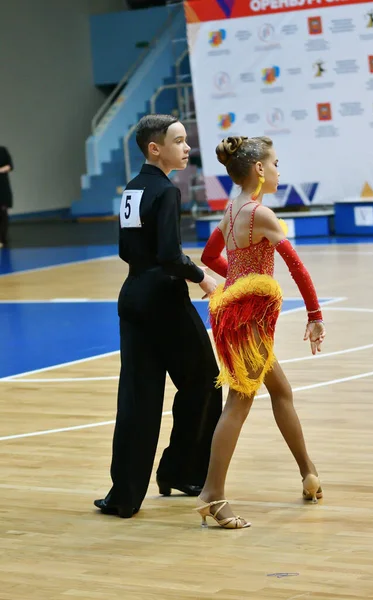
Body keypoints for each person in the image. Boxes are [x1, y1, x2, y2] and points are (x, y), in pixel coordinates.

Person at [94, 114, 222, 518]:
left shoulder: (132, 189)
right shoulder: (166, 191)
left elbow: (124, 249)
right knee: (205, 381)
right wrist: (202, 276)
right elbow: (169, 254)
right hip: (164, 299)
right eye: (180, 141)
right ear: (155, 148)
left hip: (132, 296)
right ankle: (182, 471)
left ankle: (124, 496)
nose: (187, 148)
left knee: (138, 397)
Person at [196, 136, 326, 529]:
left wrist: (237, 279)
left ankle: (309, 472)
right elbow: (297, 267)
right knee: (239, 402)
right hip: (247, 320)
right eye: (274, 164)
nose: (277, 171)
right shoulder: (260, 214)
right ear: (258, 170)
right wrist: (315, 314)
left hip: (238, 316)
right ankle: (212, 496)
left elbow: (208, 258)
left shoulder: (230, 211)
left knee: (281, 391)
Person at [0, 146, 14, 248]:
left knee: (3, 212)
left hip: (2, 186)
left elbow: (10, 166)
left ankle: (2, 239)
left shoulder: (2, 150)